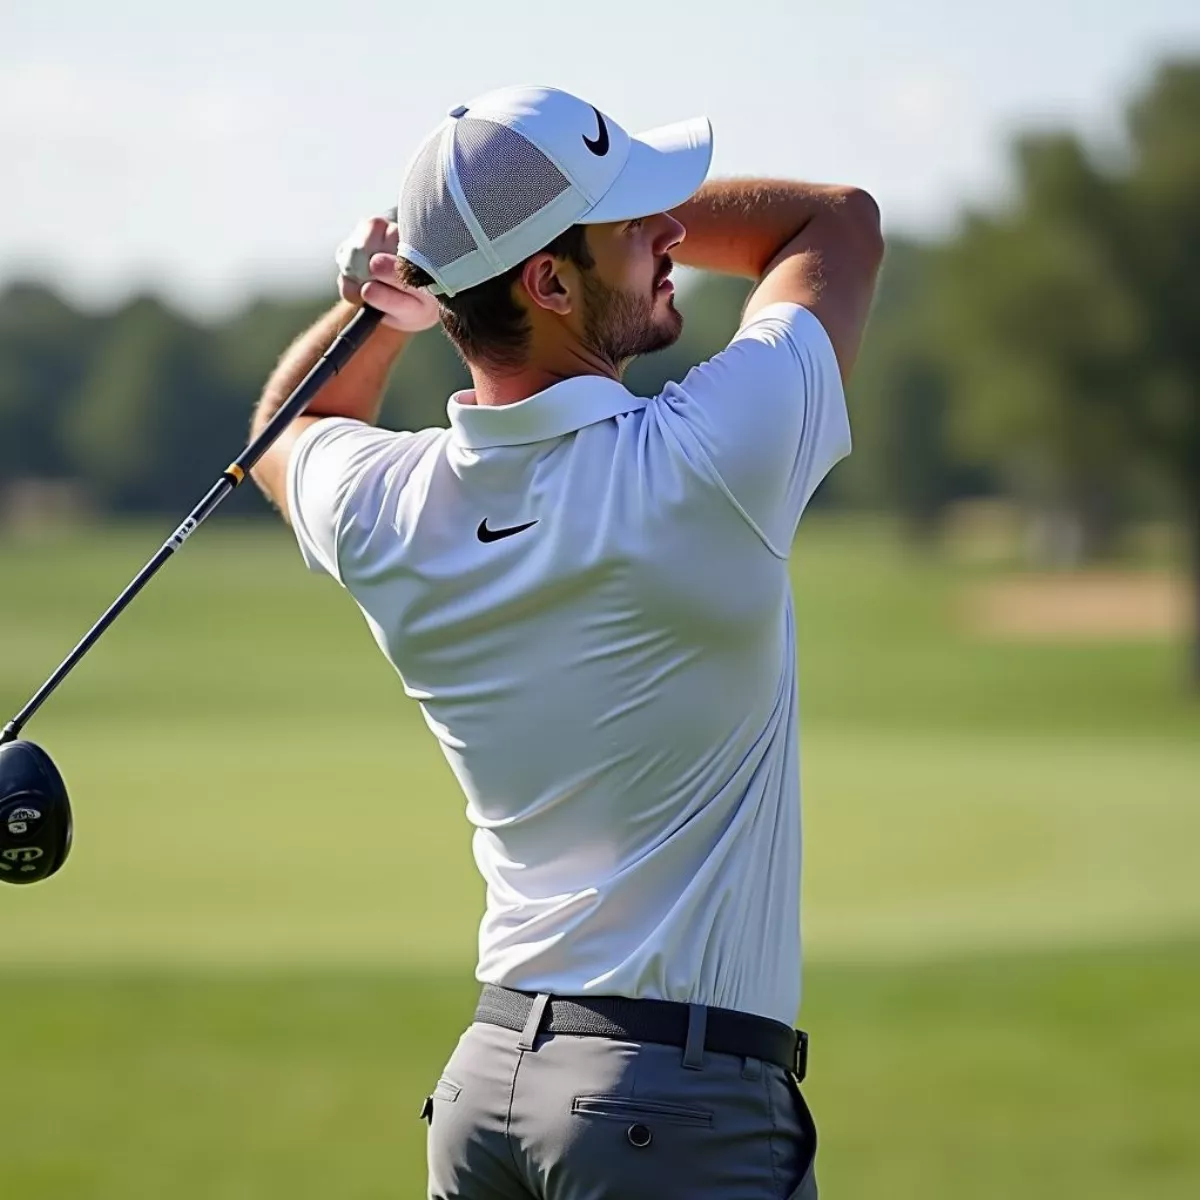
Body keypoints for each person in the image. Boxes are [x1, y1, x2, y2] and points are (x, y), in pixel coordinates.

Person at [250, 84, 882, 1200]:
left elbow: (286, 433)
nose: (674, 231)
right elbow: (835, 221)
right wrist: (455, 259)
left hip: (484, 1091)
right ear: (547, 281)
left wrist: (393, 296)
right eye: (636, 218)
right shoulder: (707, 462)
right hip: (674, 1110)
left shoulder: (387, 507)